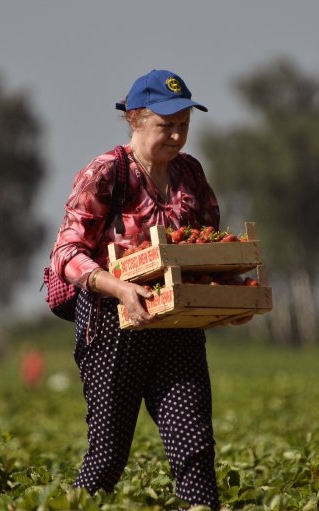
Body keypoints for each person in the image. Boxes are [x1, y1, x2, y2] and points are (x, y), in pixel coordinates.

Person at [50, 69, 248, 510]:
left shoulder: (190, 174)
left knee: (194, 446)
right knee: (108, 457)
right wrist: (120, 289)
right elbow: (65, 253)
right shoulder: (107, 173)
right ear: (136, 120)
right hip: (113, 325)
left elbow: (206, 245)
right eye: (166, 125)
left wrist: (228, 294)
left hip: (177, 325)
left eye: (183, 125)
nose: (177, 135)